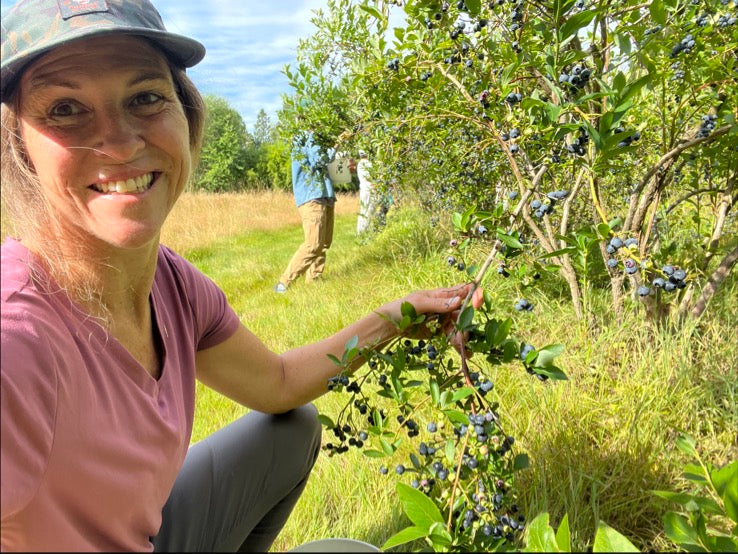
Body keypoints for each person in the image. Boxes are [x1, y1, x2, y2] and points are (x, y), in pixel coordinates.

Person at [0, 1, 475, 551]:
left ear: (187, 113)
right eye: (64, 108)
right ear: (20, 150)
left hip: (143, 533)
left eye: (146, 97)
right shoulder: (17, 344)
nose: (121, 140)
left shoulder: (172, 283)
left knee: (293, 428)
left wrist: (392, 320)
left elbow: (276, 384)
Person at [273, 129, 336, 293]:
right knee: (313, 244)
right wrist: (336, 146)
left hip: (324, 194)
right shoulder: (307, 137)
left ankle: (314, 280)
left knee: (323, 243)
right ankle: (283, 284)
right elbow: (318, 160)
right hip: (312, 196)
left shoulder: (315, 137)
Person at [356, 150, 377, 235]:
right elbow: (372, 177)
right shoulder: (368, 163)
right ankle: (364, 231)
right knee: (369, 210)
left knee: (363, 209)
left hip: (363, 189)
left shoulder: (360, 163)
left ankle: (360, 231)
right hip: (369, 189)